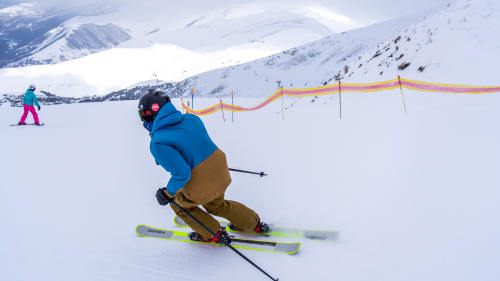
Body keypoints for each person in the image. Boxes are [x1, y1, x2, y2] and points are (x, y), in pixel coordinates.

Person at [138, 89, 269, 242]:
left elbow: (182, 173)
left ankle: (212, 234)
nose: (143, 119)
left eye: (143, 114)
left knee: (176, 203)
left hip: (201, 185)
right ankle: (253, 224)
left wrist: (167, 194)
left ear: (151, 113)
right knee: (217, 205)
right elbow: (193, 145)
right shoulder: (191, 118)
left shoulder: (158, 142)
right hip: (221, 173)